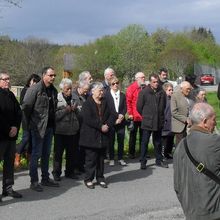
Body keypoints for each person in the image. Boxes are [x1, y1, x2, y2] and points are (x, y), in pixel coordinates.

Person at [174, 102, 220, 220]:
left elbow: (177, 185)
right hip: (214, 212)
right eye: (213, 120)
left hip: (191, 213)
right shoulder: (215, 142)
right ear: (204, 122)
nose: (215, 123)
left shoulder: (180, 146)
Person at [22, 66, 59, 192]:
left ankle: (45, 178)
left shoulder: (53, 90)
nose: (53, 77)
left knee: (46, 154)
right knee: (35, 155)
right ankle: (34, 181)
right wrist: (30, 125)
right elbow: (26, 107)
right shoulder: (35, 89)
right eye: (51, 75)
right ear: (44, 75)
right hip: (37, 128)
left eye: (54, 75)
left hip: (49, 128)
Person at [79, 82, 116, 189]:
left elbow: (113, 114)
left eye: (102, 90)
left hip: (103, 135)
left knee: (101, 159)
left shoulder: (106, 102)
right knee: (91, 159)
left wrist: (107, 125)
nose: (102, 92)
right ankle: (88, 179)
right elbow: (87, 119)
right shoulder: (87, 103)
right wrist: (100, 126)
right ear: (92, 91)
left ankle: (100, 177)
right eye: (99, 90)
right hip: (91, 135)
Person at [137, 73, 167, 169]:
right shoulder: (144, 92)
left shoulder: (161, 92)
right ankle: (143, 161)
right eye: (154, 82)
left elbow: (164, 105)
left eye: (157, 82)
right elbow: (139, 107)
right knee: (144, 142)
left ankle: (159, 160)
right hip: (147, 121)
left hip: (158, 121)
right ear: (150, 82)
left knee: (158, 142)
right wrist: (146, 116)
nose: (156, 84)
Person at [0, 71, 22, 201]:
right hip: (1, 136)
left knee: (9, 164)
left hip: (11, 136)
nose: (8, 81)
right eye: (5, 79)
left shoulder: (11, 95)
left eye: (9, 79)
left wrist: (15, 127)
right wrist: (8, 128)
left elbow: (18, 112)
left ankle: (8, 189)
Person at [52, 78, 79, 181]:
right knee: (58, 153)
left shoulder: (74, 98)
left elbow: (80, 115)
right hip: (60, 131)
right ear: (62, 88)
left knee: (71, 153)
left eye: (71, 89)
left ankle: (70, 172)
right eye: (67, 89)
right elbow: (54, 116)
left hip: (72, 130)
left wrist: (76, 110)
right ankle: (56, 173)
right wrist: (65, 111)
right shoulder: (57, 98)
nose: (69, 91)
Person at [14, 73, 41, 168]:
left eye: (36, 82)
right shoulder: (25, 90)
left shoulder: (37, 91)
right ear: (30, 81)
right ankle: (17, 155)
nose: (34, 83)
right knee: (26, 138)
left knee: (31, 139)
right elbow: (23, 104)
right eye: (33, 81)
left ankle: (29, 158)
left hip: (34, 118)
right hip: (26, 117)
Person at [105, 76, 127, 166]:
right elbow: (109, 109)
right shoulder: (107, 95)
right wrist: (117, 116)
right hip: (111, 121)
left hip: (121, 121)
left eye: (117, 83)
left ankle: (121, 158)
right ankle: (111, 158)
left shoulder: (122, 95)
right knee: (111, 140)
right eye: (113, 84)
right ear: (110, 85)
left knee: (121, 140)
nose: (115, 85)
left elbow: (125, 107)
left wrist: (121, 115)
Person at [126, 72, 146, 159]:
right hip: (134, 116)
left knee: (143, 135)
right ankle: (131, 153)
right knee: (133, 135)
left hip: (144, 116)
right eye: (142, 77)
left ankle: (142, 152)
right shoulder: (132, 88)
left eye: (144, 77)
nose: (144, 79)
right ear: (137, 78)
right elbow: (128, 102)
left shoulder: (145, 87)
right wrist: (130, 114)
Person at [72, 80, 90, 173]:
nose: (86, 92)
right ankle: (75, 167)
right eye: (85, 90)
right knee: (75, 148)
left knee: (82, 147)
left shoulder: (84, 96)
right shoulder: (74, 96)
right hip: (75, 126)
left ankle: (81, 165)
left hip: (83, 126)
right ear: (79, 88)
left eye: (87, 90)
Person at [171, 81, 192, 146]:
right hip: (180, 125)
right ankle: (178, 156)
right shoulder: (175, 96)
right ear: (181, 89)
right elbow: (174, 112)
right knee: (180, 145)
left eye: (189, 89)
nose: (189, 90)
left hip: (190, 125)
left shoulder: (190, 96)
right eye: (187, 89)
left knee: (188, 144)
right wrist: (185, 119)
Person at [162, 82, 175, 160]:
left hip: (172, 122)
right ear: (165, 91)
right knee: (164, 140)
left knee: (170, 139)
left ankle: (168, 153)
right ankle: (163, 153)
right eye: (169, 90)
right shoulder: (163, 99)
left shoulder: (173, 99)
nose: (171, 91)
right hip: (165, 122)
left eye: (172, 90)